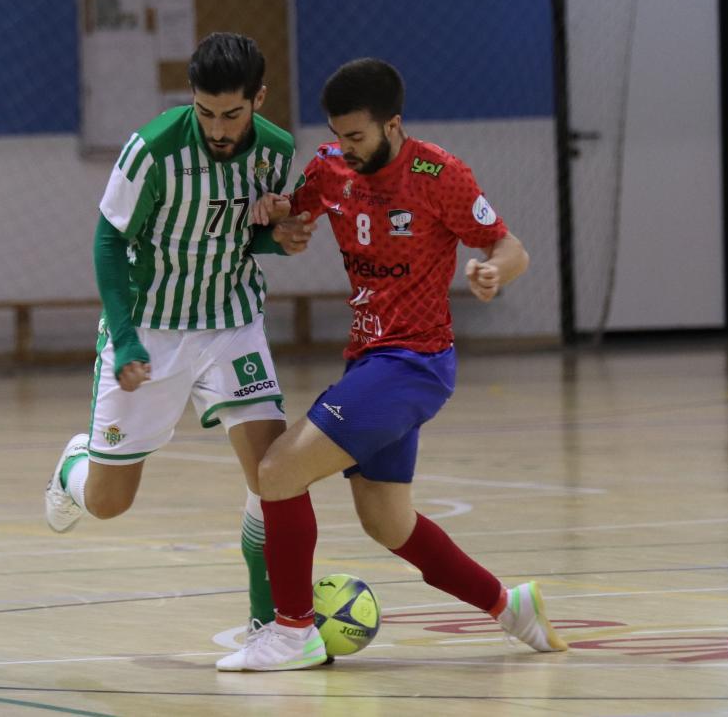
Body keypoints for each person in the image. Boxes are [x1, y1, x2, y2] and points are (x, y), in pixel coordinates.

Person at [217, 58, 566, 671]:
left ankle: (293, 630)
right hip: (367, 360)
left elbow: (511, 248)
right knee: (387, 521)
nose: (345, 150)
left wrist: (492, 272)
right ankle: (512, 608)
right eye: (337, 135)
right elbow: (291, 221)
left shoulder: (438, 174)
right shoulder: (330, 169)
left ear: (393, 125)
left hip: (414, 363)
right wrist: (283, 226)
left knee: (274, 473)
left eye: (357, 137)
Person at [43, 33, 315, 634]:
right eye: (206, 112)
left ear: (259, 100)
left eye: (232, 114)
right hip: (150, 327)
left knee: (272, 472)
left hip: (231, 322)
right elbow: (109, 240)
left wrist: (282, 239)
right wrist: (127, 337)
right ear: (191, 100)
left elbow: (247, 233)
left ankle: (266, 622)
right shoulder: (152, 150)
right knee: (111, 503)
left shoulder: (275, 151)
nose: (218, 128)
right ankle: (73, 468)